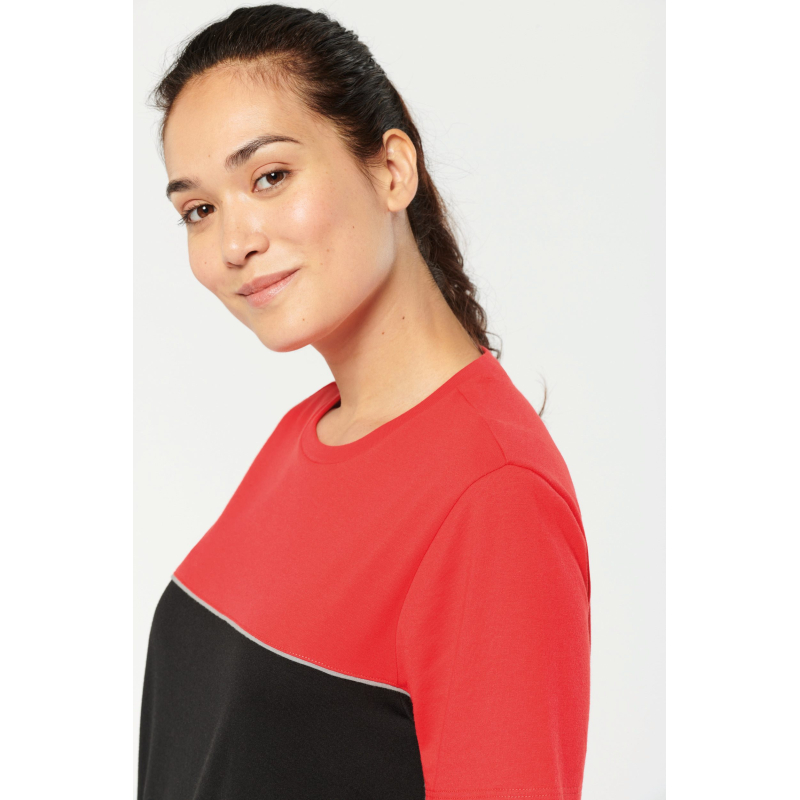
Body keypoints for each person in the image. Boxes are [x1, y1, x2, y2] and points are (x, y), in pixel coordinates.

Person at [137, 5, 591, 799]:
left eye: (269, 177)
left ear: (391, 171)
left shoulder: (495, 496)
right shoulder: (308, 433)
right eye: (199, 210)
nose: (234, 243)